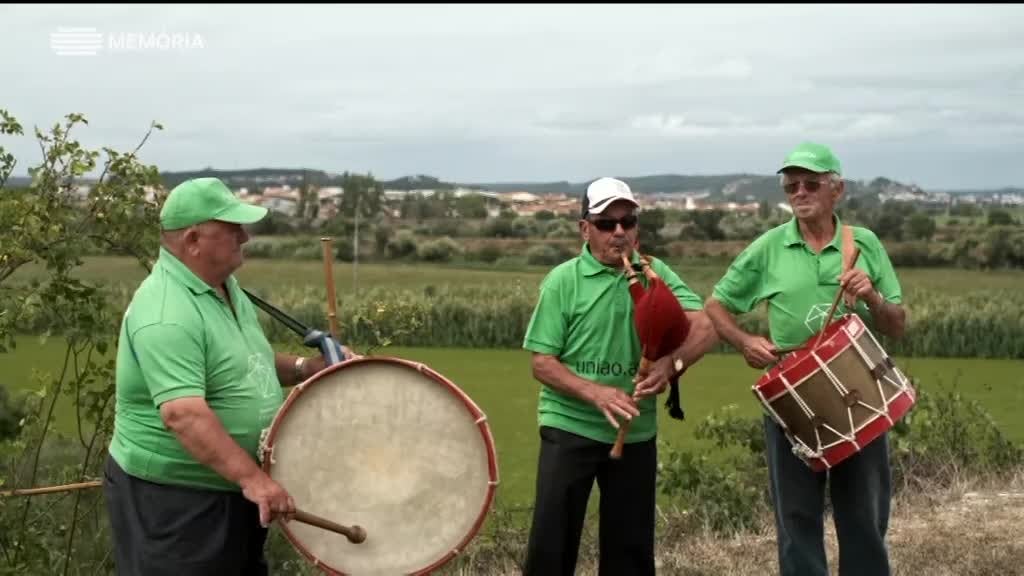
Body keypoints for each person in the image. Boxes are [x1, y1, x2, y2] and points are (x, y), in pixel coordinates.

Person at [103, 177, 353, 576]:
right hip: (177, 503)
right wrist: (255, 480)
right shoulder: (166, 312)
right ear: (193, 240)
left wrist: (307, 369)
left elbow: (247, 362)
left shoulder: (223, 287)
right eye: (233, 228)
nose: (246, 237)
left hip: (229, 488)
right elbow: (182, 415)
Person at [704, 142, 907, 576]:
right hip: (791, 402)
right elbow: (716, 306)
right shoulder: (768, 248)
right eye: (790, 185)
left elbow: (896, 324)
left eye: (810, 183)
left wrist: (870, 294)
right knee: (796, 521)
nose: (799, 192)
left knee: (865, 519)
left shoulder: (864, 244)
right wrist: (744, 342)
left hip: (859, 395)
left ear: (838, 190)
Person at [521, 177, 718, 576]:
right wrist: (595, 393)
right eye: (606, 224)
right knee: (551, 548)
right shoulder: (564, 280)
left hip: (635, 431)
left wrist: (671, 365)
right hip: (570, 427)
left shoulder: (654, 273)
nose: (619, 232)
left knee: (630, 553)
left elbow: (706, 325)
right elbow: (542, 362)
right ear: (584, 229)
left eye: (627, 222)